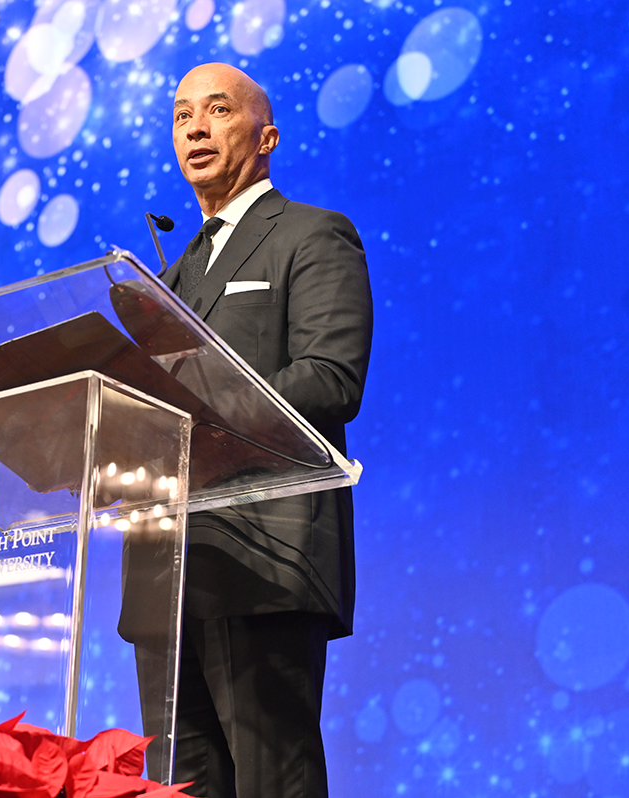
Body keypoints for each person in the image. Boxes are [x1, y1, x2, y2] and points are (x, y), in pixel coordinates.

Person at [151, 63, 373, 798]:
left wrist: (206, 425)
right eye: (182, 114)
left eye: (217, 110)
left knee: (271, 782)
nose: (195, 126)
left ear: (266, 136)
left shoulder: (312, 234)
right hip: (167, 567)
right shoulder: (171, 273)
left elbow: (330, 378)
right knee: (177, 786)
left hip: (266, 555)